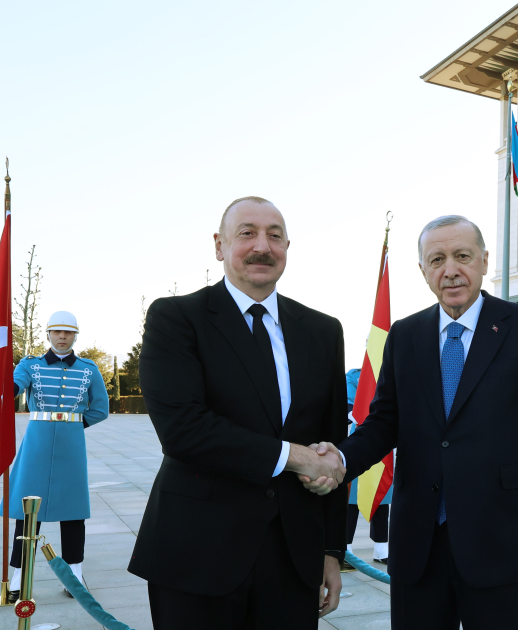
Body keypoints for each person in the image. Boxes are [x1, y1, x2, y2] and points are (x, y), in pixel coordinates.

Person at [303, 215, 518, 630]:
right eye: (437, 259)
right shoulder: (405, 335)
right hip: (419, 545)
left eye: (462, 256)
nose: (450, 270)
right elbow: (383, 423)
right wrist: (338, 457)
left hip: (500, 542)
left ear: (484, 261)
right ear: (423, 271)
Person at [127, 197, 348, 629]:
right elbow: (185, 431)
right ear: (219, 245)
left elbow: (330, 446)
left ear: (287, 246)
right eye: (247, 233)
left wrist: (330, 551)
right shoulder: (176, 318)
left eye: (275, 235)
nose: (262, 246)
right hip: (198, 555)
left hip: (293, 560)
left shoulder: (323, 331)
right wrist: (295, 457)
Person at [1, 310, 109, 602]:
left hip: (71, 448)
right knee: (28, 513)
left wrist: (74, 426)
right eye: (57, 332)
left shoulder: (89, 369)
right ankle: (17, 581)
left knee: (73, 513)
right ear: (48, 334)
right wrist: (4, 388)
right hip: (36, 443)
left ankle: (74, 578)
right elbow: (14, 386)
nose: (62, 337)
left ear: (75, 336)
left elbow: (100, 409)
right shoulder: (30, 365)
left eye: (68, 332)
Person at [343, 368, 390, 569]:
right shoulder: (354, 376)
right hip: (361, 436)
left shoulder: (391, 371)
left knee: (382, 494)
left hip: (385, 441)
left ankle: (382, 547)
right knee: (352, 498)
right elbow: (349, 407)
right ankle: (345, 548)